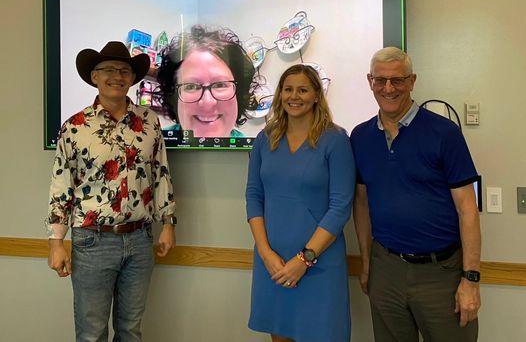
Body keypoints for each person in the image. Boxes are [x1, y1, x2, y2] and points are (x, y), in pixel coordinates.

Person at [46, 41, 176, 342]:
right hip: (92, 240)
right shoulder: (75, 127)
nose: (117, 76)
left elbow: (161, 174)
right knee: (91, 333)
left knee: (131, 330)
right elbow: (61, 183)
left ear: (132, 79)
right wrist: (56, 241)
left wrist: (167, 224)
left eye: (124, 70)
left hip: (140, 239)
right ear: (94, 76)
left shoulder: (149, 122)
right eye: (108, 70)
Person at [351, 47, 481, 342]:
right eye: (380, 80)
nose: (388, 88)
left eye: (397, 80)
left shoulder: (444, 133)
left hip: (441, 274)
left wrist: (471, 279)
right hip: (386, 271)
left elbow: (467, 210)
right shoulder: (360, 137)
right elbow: (361, 202)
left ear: (412, 81)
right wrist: (368, 262)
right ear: (370, 81)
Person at [245, 64, 356, 342]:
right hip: (273, 263)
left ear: (317, 95)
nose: (295, 96)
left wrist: (304, 259)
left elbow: (340, 206)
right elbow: (253, 196)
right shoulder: (264, 139)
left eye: (303, 90)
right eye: (288, 89)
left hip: (318, 263)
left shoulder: (336, 140)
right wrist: (265, 252)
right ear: (280, 94)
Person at [157, 25, 257, 138]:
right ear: (173, 98)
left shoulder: (253, 153)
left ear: (238, 95)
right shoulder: (153, 147)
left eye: (220, 85)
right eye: (191, 86)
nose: (207, 102)